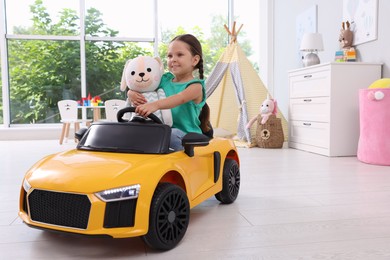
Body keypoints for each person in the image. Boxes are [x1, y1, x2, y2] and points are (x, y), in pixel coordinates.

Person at [128, 34, 211, 151]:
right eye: (170, 56)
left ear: (195, 60)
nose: (173, 60)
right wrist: (131, 93)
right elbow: (145, 85)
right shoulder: (165, 80)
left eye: (180, 55)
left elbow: (180, 98)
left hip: (187, 138)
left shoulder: (195, 87)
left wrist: (154, 105)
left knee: (170, 134)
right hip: (161, 133)